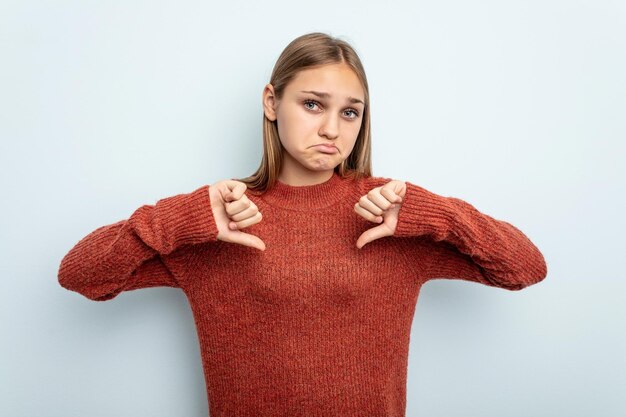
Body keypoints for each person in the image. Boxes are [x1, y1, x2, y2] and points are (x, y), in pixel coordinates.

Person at [57, 32, 548, 417]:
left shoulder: (388, 215)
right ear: (272, 102)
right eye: (313, 104)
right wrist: (176, 218)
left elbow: (525, 268)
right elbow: (80, 275)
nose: (332, 128)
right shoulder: (222, 218)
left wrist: (438, 214)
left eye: (350, 112)